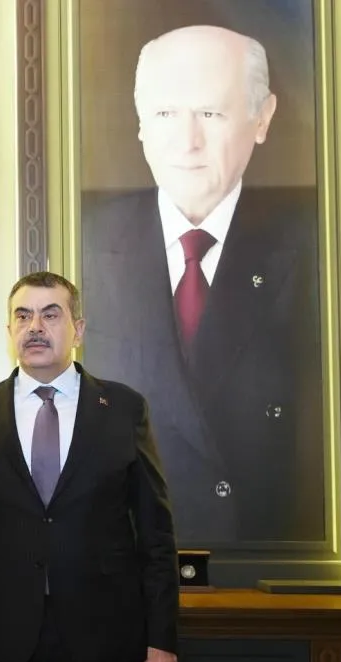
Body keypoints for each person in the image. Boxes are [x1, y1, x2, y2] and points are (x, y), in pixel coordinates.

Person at [81, 25, 323, 545]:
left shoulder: (325, 248)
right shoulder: (82, 240)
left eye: (210, 114)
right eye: (166, 114)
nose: (187, 142)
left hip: (267, 565)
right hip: (120, 565)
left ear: (263, 118)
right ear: (140, 123)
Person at [0, 271, 179, 662]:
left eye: (50, 315)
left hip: (104, 643)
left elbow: (156, 534)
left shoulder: (124, 409)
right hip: (1, 644)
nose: (35, 327)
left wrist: (161, 637)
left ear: (78, 330)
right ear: (9, 330)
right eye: (23, 316)